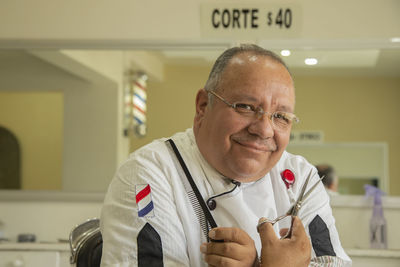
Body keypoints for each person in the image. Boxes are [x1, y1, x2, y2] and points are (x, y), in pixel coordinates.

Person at [100, 44, 351, 267]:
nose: (263, 129)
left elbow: (334, 262)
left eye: (281, 116)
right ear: (203, 106)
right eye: (245, 107)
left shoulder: (301, 178)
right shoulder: (150, 173)